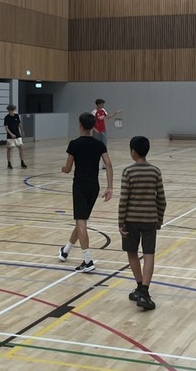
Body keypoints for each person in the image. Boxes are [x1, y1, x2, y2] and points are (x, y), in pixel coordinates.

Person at [57, 112, 114, 272]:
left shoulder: (74, 144)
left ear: (80, 125)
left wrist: (63, 169)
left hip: (80, 187)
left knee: (81, 221)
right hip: (94, 187)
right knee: (81, 220)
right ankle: (65, 251)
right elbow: (108, 164)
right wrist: (110, 187)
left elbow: (68, 168)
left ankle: (88, 262)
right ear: (93, 126)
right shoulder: (99, 144)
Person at [119, 136, 166, 310]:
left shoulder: (128, 172)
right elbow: (161, 199)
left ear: (133, 152)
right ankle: (144, 291)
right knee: (149, 254)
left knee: (132, 253)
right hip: (150, 220)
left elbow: (124, 199)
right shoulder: (155, 171)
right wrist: (159, 219)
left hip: (131, 220)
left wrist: (121, 222)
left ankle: (139, 287)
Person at [92, 99, 121, 168]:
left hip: (103, 131)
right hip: (96, 133)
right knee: (95, 147)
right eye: (102, 104)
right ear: (98, 104)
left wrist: (115, 113)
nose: (103, 105)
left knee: (104, 147)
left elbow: (108, 117)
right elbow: (91, 122)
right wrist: (94, 129)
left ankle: (104, 164)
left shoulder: (103, 110)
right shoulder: (94, 112)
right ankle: (94, 163)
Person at [4, 104, 28, 169]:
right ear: (8, 110)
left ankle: (22, 162)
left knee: (21, 148)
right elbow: (6, 128)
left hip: (17, 134)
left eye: (12, 110)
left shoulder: (17, 116)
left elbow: (19, 124)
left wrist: (22, 131)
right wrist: (11, 134)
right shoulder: (6, 118)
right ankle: (9, 163)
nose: (11, 111)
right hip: (10, 136)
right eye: (9, 110)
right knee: (9, 149)